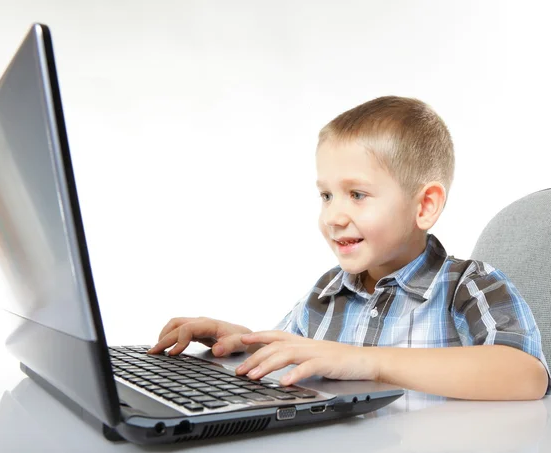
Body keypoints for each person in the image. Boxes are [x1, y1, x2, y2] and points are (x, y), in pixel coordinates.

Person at [148, 96, 550, 400]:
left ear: (424, 205)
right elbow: (297, 353)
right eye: (326, 196)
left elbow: (526, 375)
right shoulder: (326, 294)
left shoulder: (468, 286)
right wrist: (241, 340)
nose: (334, 217)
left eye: (357, 194)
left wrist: (366, 361)